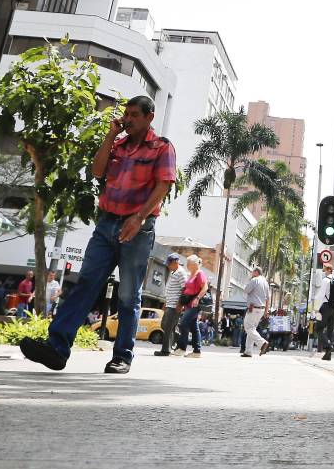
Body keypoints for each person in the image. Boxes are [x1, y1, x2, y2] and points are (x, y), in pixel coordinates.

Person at [20, 95, 176, 374]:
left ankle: (122, 357)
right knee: (85, 284)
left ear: (149, 117)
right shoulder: (117, 145)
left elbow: (163, 185)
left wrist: (139, 218)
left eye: (134, 115)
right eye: (126, 114)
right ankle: (57, 348)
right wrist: (110, 135)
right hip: (106, 225)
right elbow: (96, 171)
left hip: (138, 228)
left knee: (128, 294)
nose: (128, 119)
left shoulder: (161, 148)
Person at [173, 255, 207, 358]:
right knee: (194, 326)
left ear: (194, 264)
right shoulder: (192, 274)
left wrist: (197, 298)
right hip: (188, 304)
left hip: (194, 304)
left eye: (189, 263)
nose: (187, 265)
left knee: (183, 323)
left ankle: (182, 348)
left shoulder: (200, 274)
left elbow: (205, 287)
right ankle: (197, 351)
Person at [155, 253, 186, 357]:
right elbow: (170, 290)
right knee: (164, 325)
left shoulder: (181, 272)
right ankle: (176, 337)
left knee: (168, 327)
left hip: (175, 305)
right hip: (170, 304)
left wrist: (180, 304)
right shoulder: (174, 272)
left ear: (175, 262)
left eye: (169, 264)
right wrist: (165, 302)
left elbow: (184, 289)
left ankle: (165, 350)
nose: (168, 266)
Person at [315, 262, 334, 361]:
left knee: (318, 329)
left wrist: (316, 306)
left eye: (325, 270)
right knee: (330, 331)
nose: (324, 272)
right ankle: (328, 355)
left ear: (329, 270)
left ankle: (328, 345)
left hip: (326, 307)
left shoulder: (325, 280)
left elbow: (321, 295)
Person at [242, 266, 271, 359]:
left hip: (253, 308)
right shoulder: (265, 283)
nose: (251, 273)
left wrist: (249, 280)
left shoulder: (254, 280)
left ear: (256, 272)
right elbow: (268, 298)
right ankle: (248, 351)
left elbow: (246, 290)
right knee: (252, 328)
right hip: (261, 308)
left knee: (248, 327)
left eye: (252, 272)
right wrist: (266, 311)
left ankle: (262, 343)